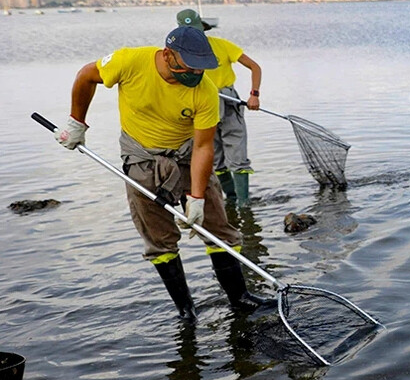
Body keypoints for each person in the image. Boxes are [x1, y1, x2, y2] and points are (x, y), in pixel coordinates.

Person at [60, 25, 268, 323]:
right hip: (141, 157)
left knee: (218, 227)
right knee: (158, 237)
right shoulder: (129, 62)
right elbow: (85, 76)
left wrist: (196, 197)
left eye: (201, 69)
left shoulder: (205, 91)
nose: (195, 75)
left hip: (185, 156)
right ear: (168, 55)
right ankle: (185, 310)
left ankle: (240, 299)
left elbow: (203, 147)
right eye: (190, 67)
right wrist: (77, 122)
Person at [176, 9, 262, 207]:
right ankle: (230, 200)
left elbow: (255, 67)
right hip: (201, 105)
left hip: (228, 102)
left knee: (237, 156)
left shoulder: (222, 46)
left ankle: (244, 204)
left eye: (197, 31)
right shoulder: (178, 54)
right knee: (214, 156)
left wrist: (254, 94)